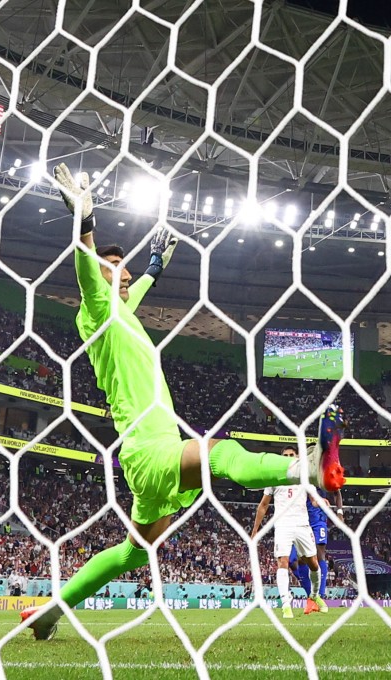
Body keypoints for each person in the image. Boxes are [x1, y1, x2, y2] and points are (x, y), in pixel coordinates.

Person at [19, 165, 345, 640]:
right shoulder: (97, 314)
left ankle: (54, 607)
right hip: (151, 452)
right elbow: (89, 274)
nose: (124, 273)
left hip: (147, 455)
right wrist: (84, 226)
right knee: (221, 453)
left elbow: (132, 285)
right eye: (117, 268)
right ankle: (308, 468)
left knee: (133, 552)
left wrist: (154, 266)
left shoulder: (122, 313)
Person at [251, 446, 327, 619]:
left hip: (302, 525)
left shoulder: (304, 477)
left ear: (296, 457)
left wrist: (320, 502)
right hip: (282, 525)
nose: (288, 457)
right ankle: (286, 604)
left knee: (313, 563)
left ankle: (314, 595)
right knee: (282, 562)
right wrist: (255, 530)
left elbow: (314, 500)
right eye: (285, 455)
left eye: (291, 455)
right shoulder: (275, 477)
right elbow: (263, 505)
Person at [295, 447, 343, 611]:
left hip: (318, 517)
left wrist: (339, 512)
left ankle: (319, 595)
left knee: (319, 552)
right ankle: (311, 596)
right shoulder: (301, 472)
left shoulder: (328, 470)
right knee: (300, 559)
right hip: (301, 515)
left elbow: (337, 493)